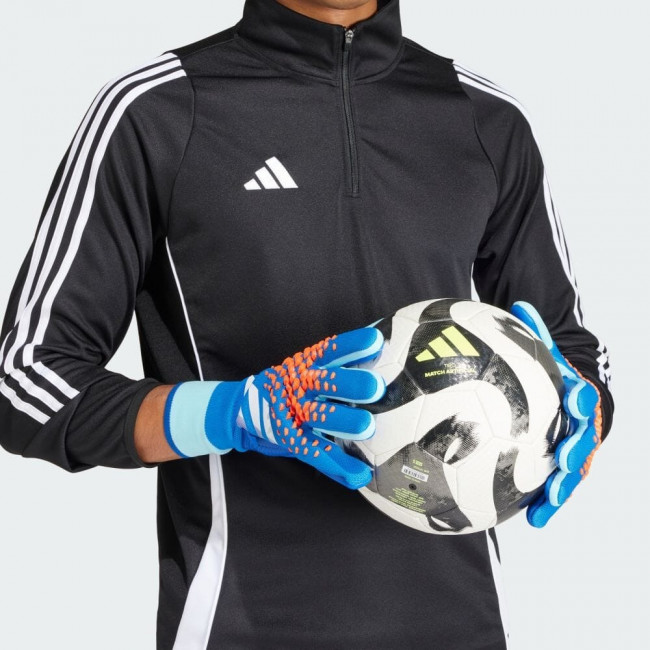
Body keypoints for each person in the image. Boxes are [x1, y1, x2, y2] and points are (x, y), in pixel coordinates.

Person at [0, 0, 613, 647]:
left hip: (464, 625)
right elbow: (25, 379)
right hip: (241, 622)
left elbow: (569, 346)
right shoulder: (157, 111)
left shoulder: (486, 119)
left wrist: (584, 409)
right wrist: (230, 412)